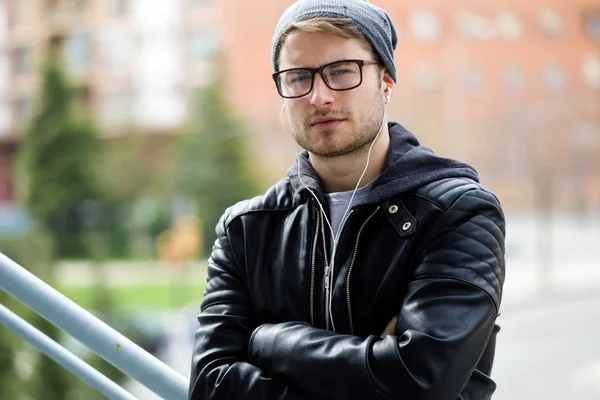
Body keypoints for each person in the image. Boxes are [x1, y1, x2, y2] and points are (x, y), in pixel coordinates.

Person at [189, 0, 506, 399]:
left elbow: (419, 383)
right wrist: (376, 364)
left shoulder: (458, 213)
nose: (319, 96)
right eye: (298, 77)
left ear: (386, 82)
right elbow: (210, 386)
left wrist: (272, 342)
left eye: (341, 71)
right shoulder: (246, 231)